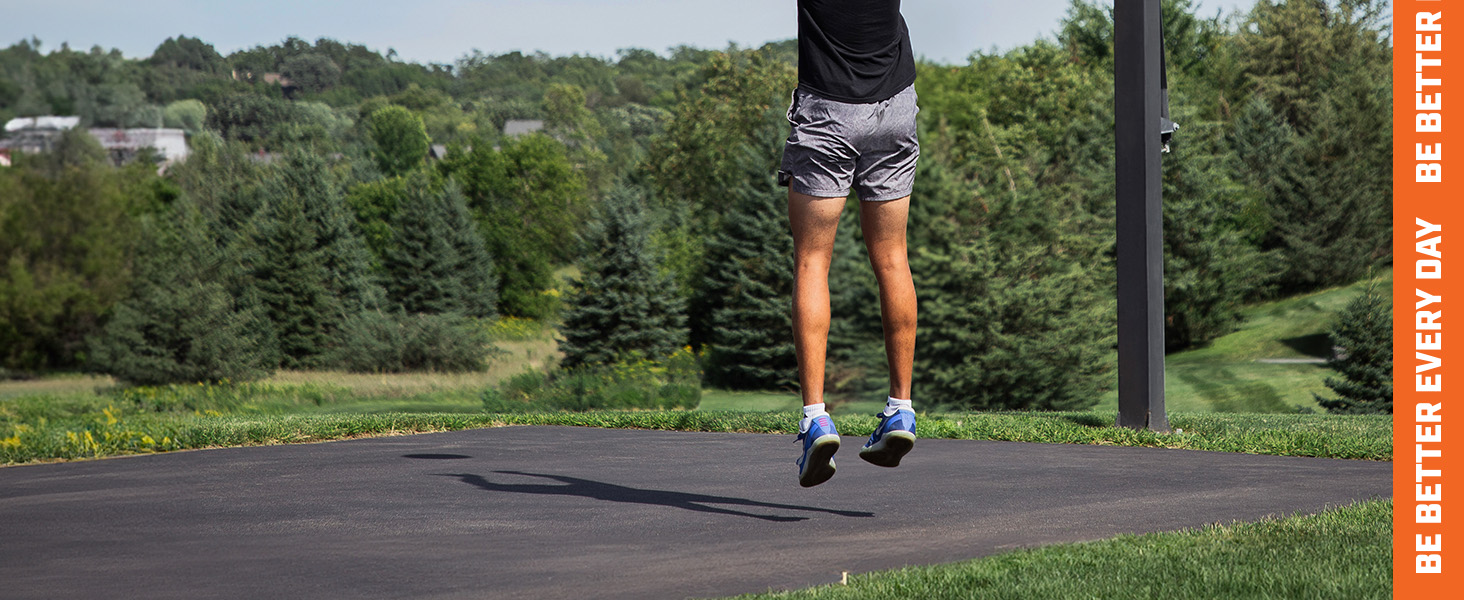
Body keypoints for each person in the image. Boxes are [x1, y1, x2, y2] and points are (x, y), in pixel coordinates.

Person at [780, 0, 920, 487]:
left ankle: (816, 418)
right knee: (893, 259)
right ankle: (901, 408)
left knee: (812, 263)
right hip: (895, 107)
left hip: (828, 110)